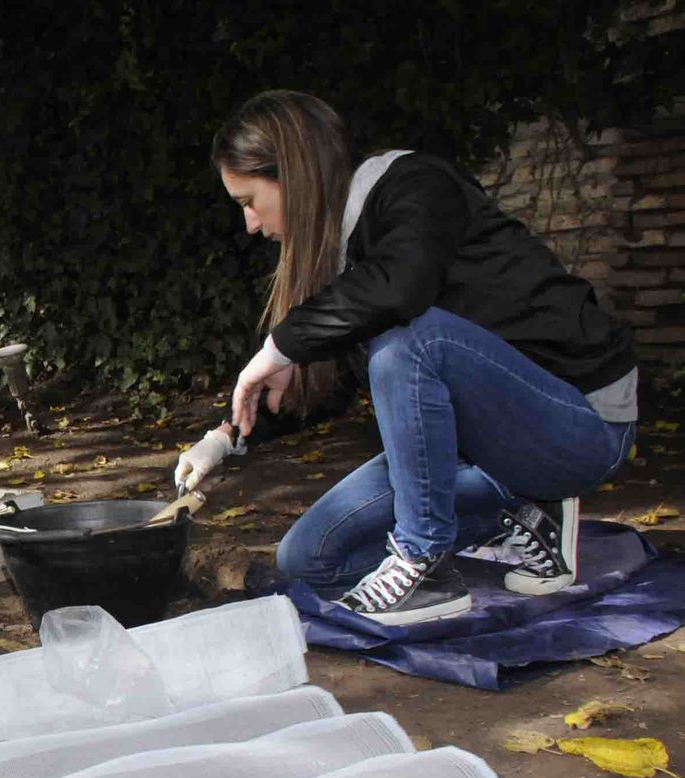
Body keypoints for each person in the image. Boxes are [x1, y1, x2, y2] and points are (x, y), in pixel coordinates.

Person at [189, 90, 637, 626]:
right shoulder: (343, 260)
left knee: (411, 340)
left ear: (294, 174)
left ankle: (426, 565)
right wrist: (221, 440)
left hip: (581, 426)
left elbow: (403, 288)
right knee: (308, 559)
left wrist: (279, 345)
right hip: (485, 452)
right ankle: (523, 511)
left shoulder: (414, 185)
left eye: (248, 202)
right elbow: (322, 387)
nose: (251, 225)